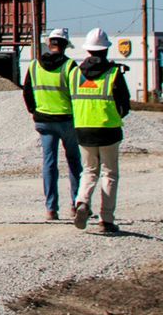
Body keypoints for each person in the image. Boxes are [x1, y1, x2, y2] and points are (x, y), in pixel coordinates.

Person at [71, 27, 132, 234]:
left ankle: (81, 202)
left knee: (89, 171)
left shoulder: (75, 74)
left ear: (88, 50)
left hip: (83, 129)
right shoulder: (113, 73)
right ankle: (106, 219)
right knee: (109, 173)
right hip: (108, 129)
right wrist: (117, 115)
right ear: (106, 50)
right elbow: (124, 104)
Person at [23, 26, 82, 221]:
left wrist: (35, 112)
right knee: (74, 162)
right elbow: (77, 94)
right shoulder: (70, 66)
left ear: (49, 44)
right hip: (66, 120)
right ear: (65, 45)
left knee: (49, 163)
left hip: (44, 121)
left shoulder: (34, 65)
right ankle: (76, 204)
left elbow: (27, 93)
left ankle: (51, 209)